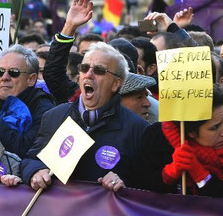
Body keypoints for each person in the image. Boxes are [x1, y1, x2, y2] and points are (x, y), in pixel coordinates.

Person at [22, 42, 149, 192]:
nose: (88, 74)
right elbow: (30, 160)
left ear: (116, 83)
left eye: (99, 70)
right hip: (59, 212)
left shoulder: (138, 129)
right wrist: (35, 171)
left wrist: (122, 183)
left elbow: (146, 188)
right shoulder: (54, 116)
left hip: (104, 214)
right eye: (84, 68)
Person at [131, 85, 223, 197]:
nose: (222, 133)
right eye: (214, 128)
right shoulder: (156, 138)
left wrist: (201, 175)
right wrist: (169, 173)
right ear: (191, 132)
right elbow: (139, 187)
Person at [0, 45, 56, 157]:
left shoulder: (45, 110)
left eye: (14, 72)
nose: (5, 77)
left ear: (31, 79)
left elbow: (25, 149)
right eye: (0, 72)